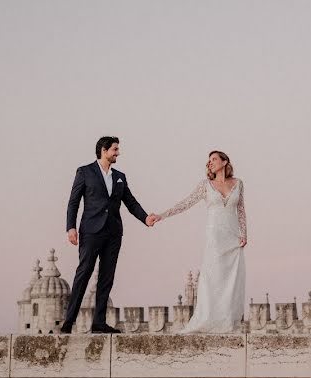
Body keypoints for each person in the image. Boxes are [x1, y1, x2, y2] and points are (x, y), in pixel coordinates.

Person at [61, 136, 156, 334]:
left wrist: (145, 218)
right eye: (115, 149)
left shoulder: (119, 175)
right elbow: (73, 202)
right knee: (84, 273)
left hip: (113, 233)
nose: (118, 153)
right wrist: (71, 227)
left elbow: (130, 202)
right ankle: (68, 322)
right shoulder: (85, 172)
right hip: (90, 231)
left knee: (107, 277)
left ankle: (99, 323)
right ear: (104, 150)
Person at [150, 150, 247, 333]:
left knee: (231, 280)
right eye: (209, 160)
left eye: (214, 159)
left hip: (233, 237)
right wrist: (162, 215)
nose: (210, 163)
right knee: (212, 278)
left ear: (224, 162)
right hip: (215, 237)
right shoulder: (205, 185)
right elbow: (185, 203)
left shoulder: (238, 184)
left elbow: (241, 210)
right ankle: (208, 319)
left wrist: (244, 234)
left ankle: (227, 322)